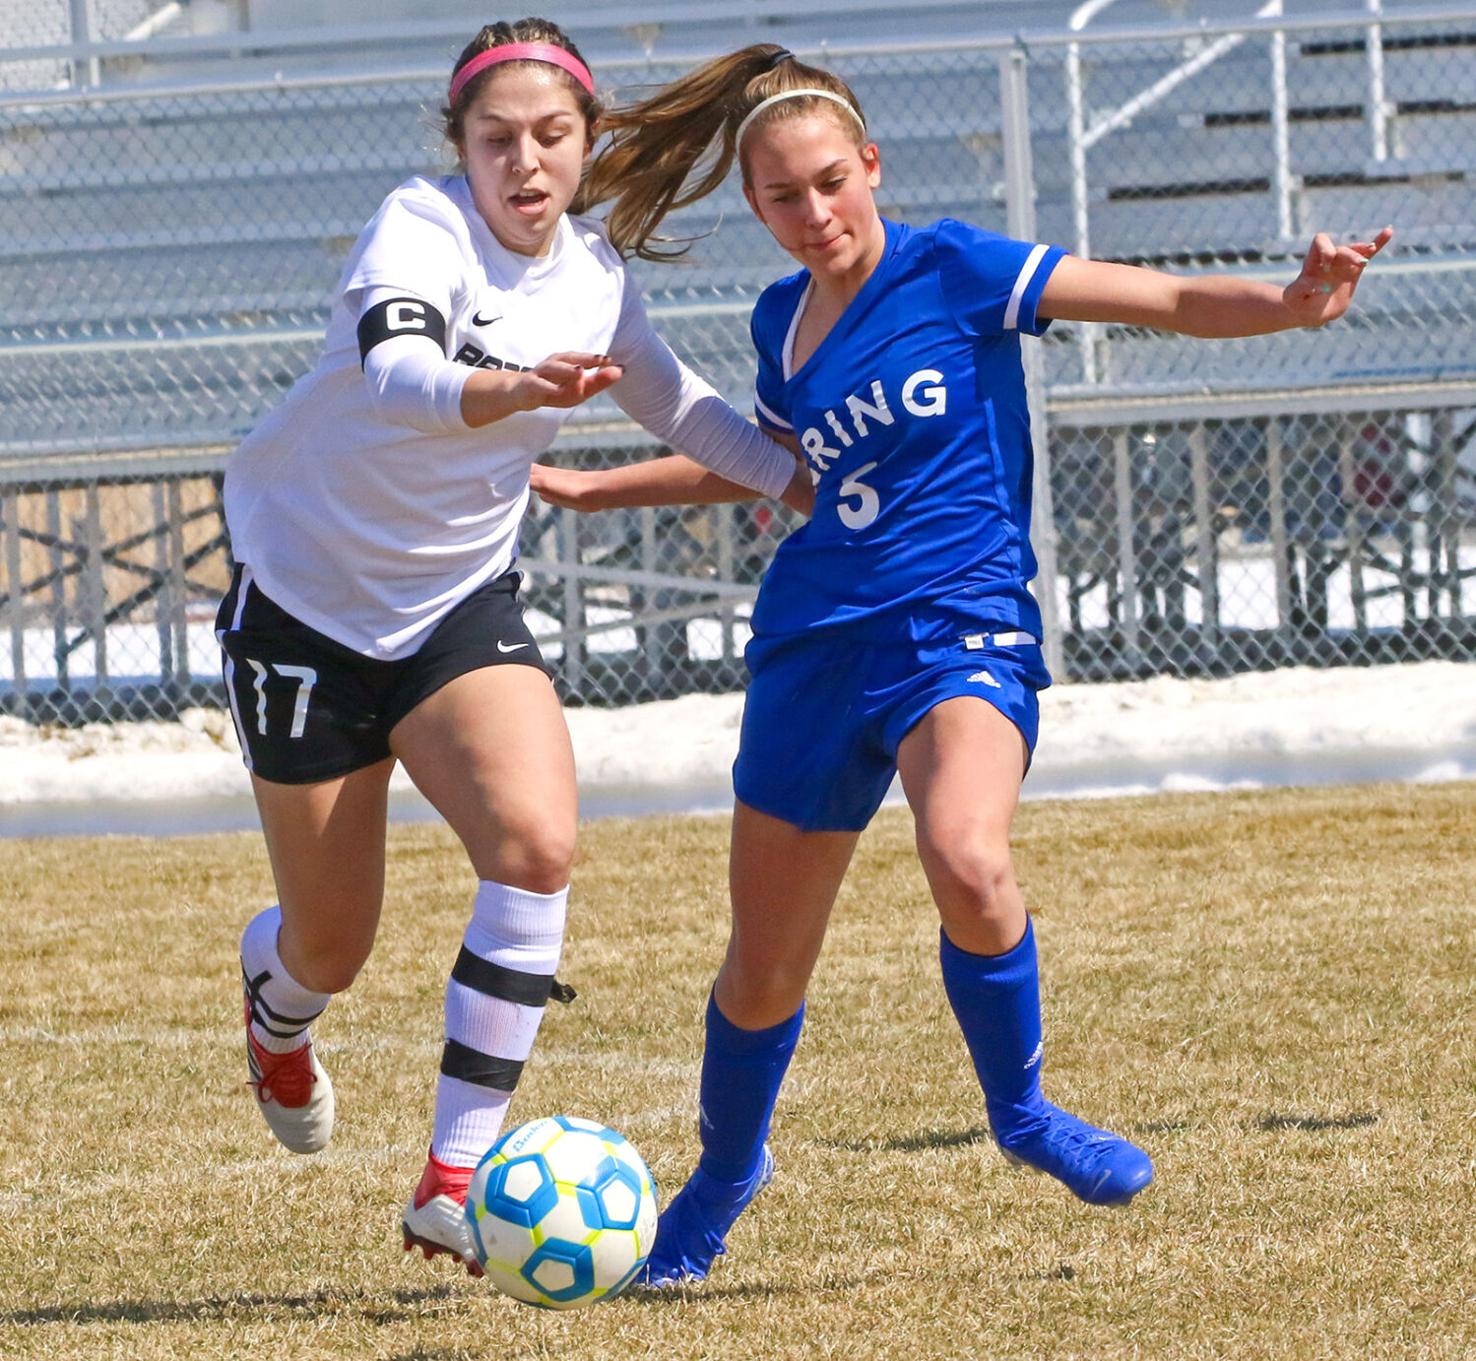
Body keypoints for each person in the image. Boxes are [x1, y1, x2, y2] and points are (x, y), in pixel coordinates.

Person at [531, 44, 1392, 1285]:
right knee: (764, 963)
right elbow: (782, 467)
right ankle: (722, 1179)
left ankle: (1024, 1111)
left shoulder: (959, 268)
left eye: (832, 180)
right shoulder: (782, 320)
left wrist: (1288, 299)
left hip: (960, 617)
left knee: (967, 851)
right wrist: (601, 487)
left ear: (871, 164)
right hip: (815, 639)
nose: (814, 212)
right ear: (757, 207)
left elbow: (1154, 297)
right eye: (783, 196)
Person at [216, 19, 809, 1277]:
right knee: (333, 942)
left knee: (537, 846)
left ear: (588, 145)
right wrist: (514, 389)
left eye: (552, 137)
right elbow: (398, 374)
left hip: (453, 611)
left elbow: (688, 408)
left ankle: (451, 1177)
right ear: (462, 148)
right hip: (309, 609)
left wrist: (802, 480)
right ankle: (277, 1008)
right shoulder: (418, 227)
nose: (525, 163)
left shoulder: (596, 278)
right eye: (499, 140)